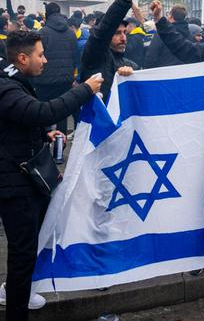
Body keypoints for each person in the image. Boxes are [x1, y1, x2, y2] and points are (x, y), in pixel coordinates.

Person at [0, 30, 103, 321]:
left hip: (24, 178)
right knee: (22, 255)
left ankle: (24, 291)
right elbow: (43, 111)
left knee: (31, 246)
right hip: (14, 185)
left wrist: (44, 135)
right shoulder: (6, 88)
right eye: (40, 54)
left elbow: (19, 123)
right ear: (22, 58)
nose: (45, 60)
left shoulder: (14, 80)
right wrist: (85, 89)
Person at [33, 2, 77, 138]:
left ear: (47, 15)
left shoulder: (43, 33)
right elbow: (75, 56)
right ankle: (59, 149)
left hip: (45, 81)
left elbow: (37, 56)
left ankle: (45, 143)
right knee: (62, 114)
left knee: (43, 113)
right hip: (65, 80)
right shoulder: (71, 33)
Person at [80, 0, 138, 102]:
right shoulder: (95, 57)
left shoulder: (130, 65)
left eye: (125, 32)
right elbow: (102, 33)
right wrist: (123, 2)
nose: (123, 38)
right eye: (117, 33)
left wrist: (131, 74)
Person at [144, 4, 188, 69]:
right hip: (183, 73)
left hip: (163, 73)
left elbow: (151, 56)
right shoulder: (189, 34)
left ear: (170, 16)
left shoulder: (162, 33)